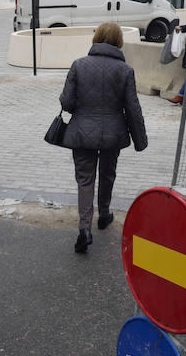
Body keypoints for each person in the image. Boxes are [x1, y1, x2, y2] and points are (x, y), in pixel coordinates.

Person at [59, 22, 147, 254]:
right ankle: (104, 214)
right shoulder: (125, 70)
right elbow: (133, 108)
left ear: (96, 38)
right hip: (113, 133)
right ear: (119, 41)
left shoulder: (78, 65)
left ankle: (84, 229)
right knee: (107, 174)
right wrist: (140, 140)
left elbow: (66, 102)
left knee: (85, 179)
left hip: (82, 133)